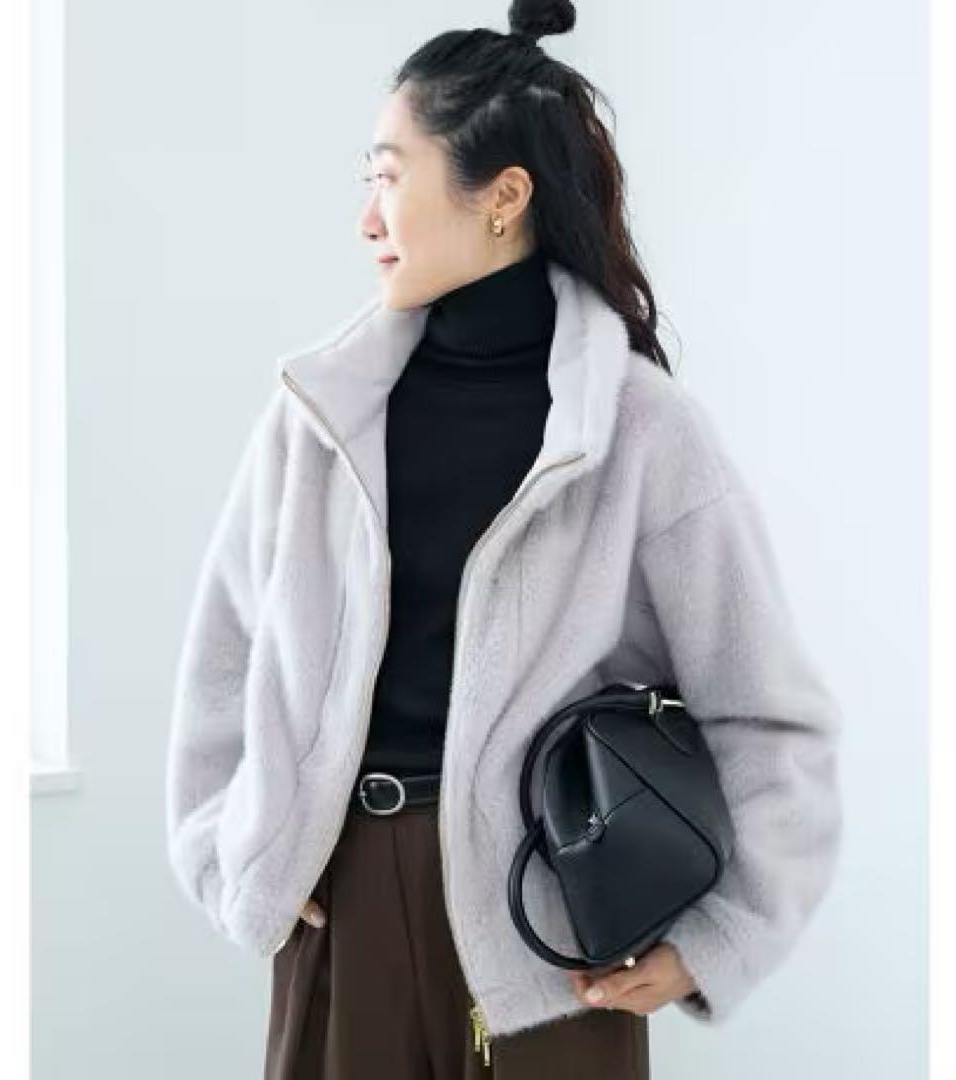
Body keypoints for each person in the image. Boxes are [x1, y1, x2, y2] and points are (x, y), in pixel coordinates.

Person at [164, 2, 844, 1077]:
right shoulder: (320, 418)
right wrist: (235, 858)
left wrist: (716, 940)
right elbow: (225, 659)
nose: (368, 217)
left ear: (503, 197)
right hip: (343, 903)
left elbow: (768, 713)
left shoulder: (636, 428)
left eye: (390, 177)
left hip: (554, 927)